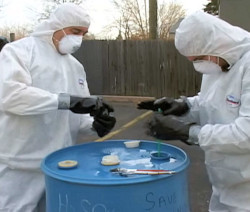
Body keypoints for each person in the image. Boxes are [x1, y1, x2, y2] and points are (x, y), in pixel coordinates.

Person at [0, 3, 116, 212]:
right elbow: (10, 96)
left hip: (61, 166)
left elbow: (78, 115)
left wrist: (96, 124)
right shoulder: (20, 51)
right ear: (56, 26)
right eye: (75, 31)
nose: (79, 38)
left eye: (83, 33)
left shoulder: (75, 67)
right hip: (20, 165)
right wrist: (67, 101)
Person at [138, 11, 250, 212]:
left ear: (218, 43)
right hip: (224, 186)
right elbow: (211, 102)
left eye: (198, 58)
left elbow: (246, 133)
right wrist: (184, 106)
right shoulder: (217, 61)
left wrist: (187, 132)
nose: (198, 65)